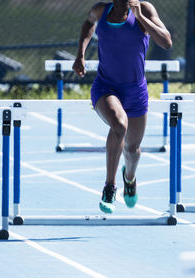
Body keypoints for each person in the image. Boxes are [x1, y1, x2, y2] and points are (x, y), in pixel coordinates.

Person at [72, 0, 172, 214]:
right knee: (119, 125)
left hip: (136, 92)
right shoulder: (101, 10)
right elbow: (88, 23)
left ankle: (130, 178)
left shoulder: (144, 10)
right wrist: (80, 53)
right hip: (106, 87)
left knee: (132, 149)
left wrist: (142, 18)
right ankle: (110, 186)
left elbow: (167, 42)